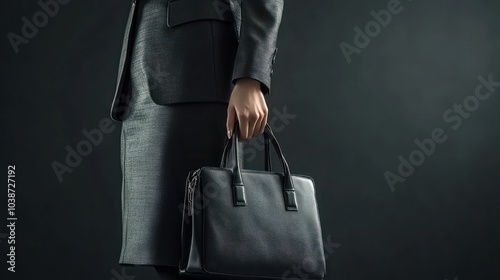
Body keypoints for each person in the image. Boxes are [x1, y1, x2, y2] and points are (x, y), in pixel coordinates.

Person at [108, 0, 284, 279]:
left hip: (197, 72)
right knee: (168, 253)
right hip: (145, 69)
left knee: (205, 249)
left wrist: (251, 75)